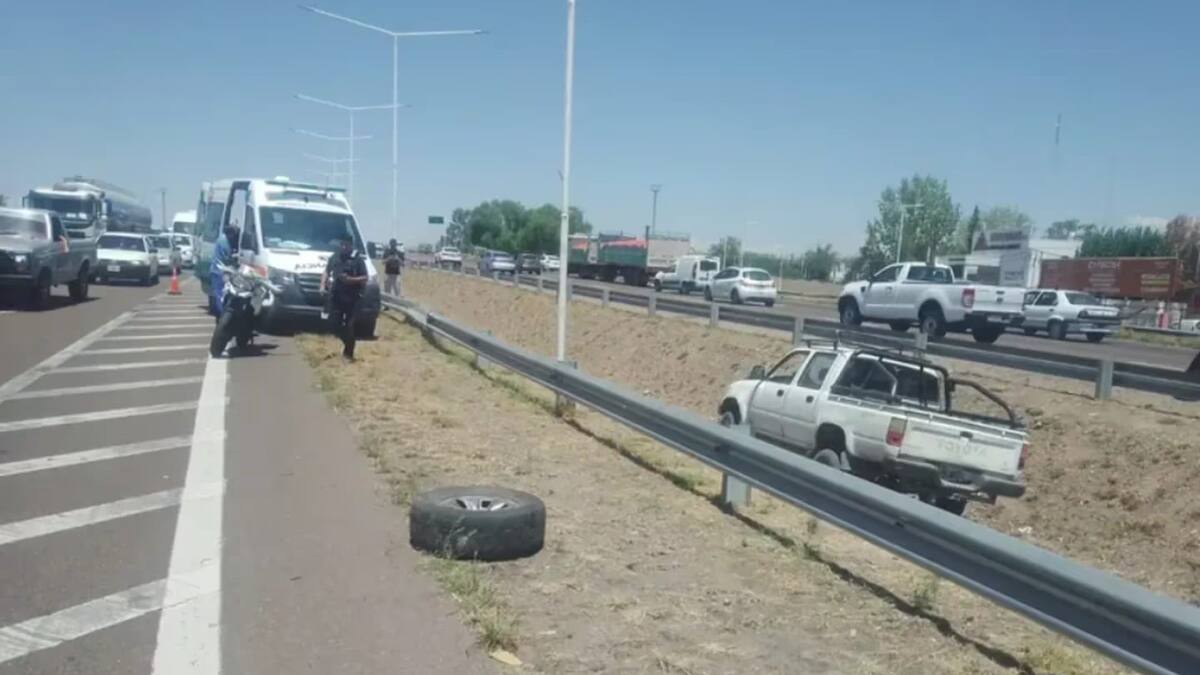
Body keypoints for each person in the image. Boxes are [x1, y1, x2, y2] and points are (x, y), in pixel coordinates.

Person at [327, 234, 369, 361]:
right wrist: (323, 283)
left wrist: (351, 280)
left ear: (351, 245)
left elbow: (365, 277)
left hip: (353, 298)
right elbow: (326, 270)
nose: (344, 247)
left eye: (346, 245)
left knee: (349, 326)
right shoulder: (335, 257)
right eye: (342, 244)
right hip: (337, 296)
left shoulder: (358, 260)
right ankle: (347, 343)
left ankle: (348, 353)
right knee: (334, 325)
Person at [209, 224, 239, 317]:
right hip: (219, 271)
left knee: (219, 293)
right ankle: (222, 314)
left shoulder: (221, 239)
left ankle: (221, 313)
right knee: (220, 294)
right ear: (230, 233)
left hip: (216, 270)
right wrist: (235, 258)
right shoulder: (224, 242)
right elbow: (227, 257)